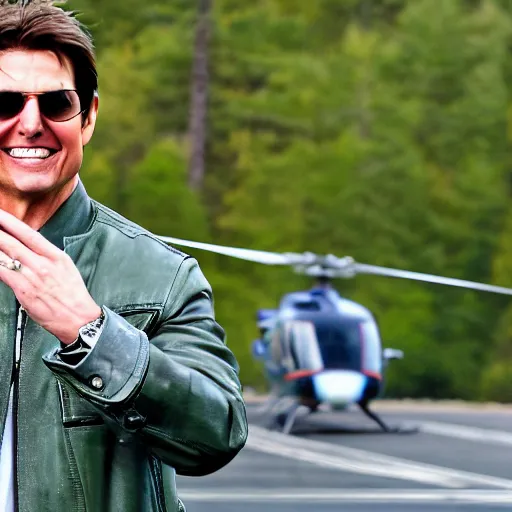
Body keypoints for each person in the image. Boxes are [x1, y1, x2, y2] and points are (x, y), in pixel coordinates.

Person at [0, 1, 248, 511]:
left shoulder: (162, 277)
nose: (30, 124)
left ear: (87, 117)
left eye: (56, 104)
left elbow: (217, 432)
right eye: (4, 103)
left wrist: (92, 334)